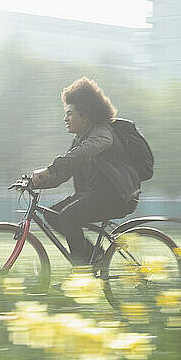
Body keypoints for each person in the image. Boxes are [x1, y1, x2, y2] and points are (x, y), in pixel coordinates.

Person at [31, 77, 140, 265]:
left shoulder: (103, 132)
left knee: (68, 216)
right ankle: (96, 258)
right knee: (51, 214)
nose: (65, 119)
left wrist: (49, 169)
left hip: (117, 196)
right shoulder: (80, 139)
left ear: (86, 116)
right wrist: (36, 182)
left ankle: (82, 273)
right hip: (95, 195)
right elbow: (63, 173)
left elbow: (81, 154)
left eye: (70, 114)